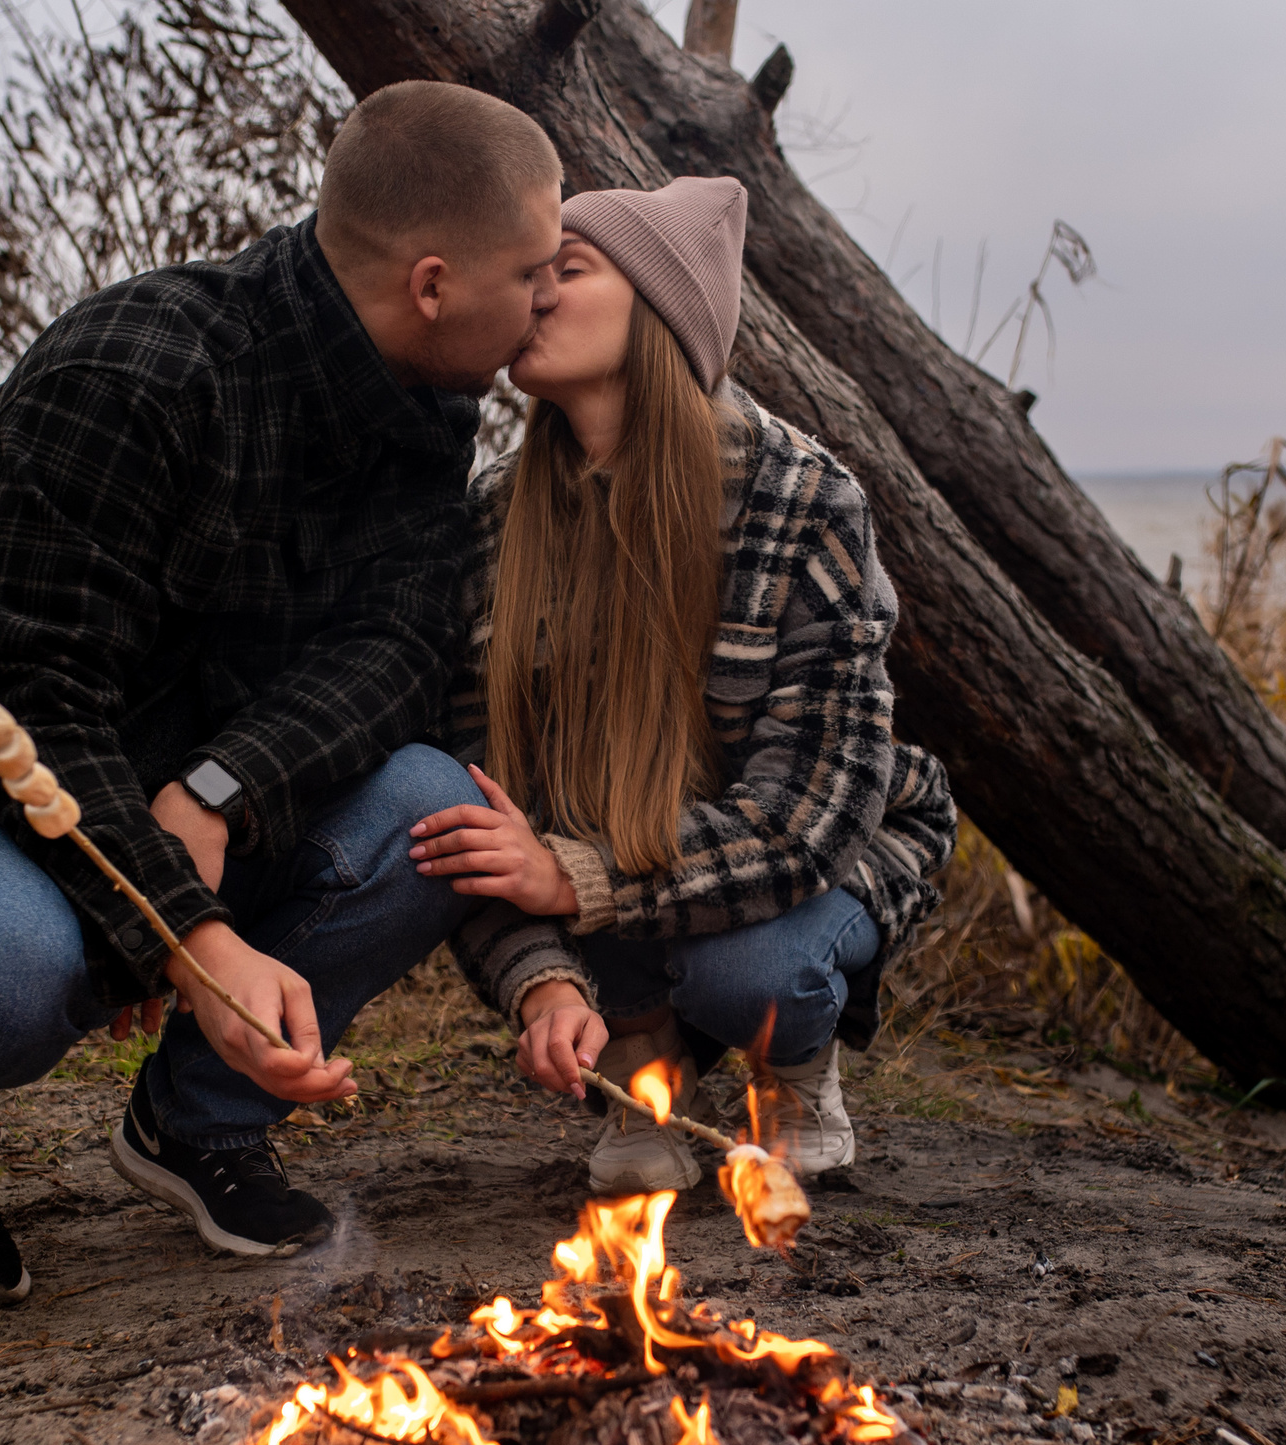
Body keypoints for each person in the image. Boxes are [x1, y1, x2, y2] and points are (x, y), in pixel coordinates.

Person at [0, 83, 564, 1311]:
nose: (547, 300)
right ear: (432, 282)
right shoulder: (132, 371)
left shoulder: (427, 408)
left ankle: (196, 1128)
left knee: (430, 808)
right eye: (532, 271)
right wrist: (189, 934)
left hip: (196, 786)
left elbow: (399, 645)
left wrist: (222, 787)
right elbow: (29, 700)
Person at [407, 176, 958, 1195]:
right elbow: (479, 811)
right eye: (528, 274)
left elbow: (806, 821)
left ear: (662, 308)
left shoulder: (803, 503)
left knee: (744, 975)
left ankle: (791, 1064)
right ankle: (641, 1054)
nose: (530, 296)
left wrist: (580, 879)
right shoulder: (493, 521)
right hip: (609, 872)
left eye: (564, 272)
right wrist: (544, 983)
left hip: (804, 857)